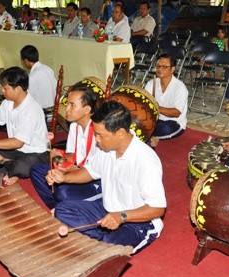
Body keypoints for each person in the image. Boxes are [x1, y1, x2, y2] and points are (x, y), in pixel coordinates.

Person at [48, 101, 166, 253]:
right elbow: (90, 172)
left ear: (121, 133)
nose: (96, 140)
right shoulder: (106, 149)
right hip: (107, 209)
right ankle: (100, 239)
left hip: (138, 222)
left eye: (100, 135)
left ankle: (103, 242)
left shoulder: (146, 161)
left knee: (109, 245)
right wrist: (65, 178)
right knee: (62, 209)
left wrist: (122, 216)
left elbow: (157, 208)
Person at [30, 84, 101, 210]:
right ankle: (59, 208)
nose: (67, 109)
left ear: (87, 109)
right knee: (36, 170)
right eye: (67, 104)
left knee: (62, 193)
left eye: (72, 105)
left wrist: (67, 174)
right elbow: (71, 156)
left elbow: (94, 171)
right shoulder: (75, 126)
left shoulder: (100, 133)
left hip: (96, 180)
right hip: (77, 168)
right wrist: (59, 157)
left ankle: (63, 208)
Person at [144, 54, 188, 148]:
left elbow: (176, 113)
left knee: (163, 128)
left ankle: (151, 136)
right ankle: (152, 137)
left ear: (172, 69)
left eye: (164, 66)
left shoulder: (179, 87)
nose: (160, 69)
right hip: (156, 119)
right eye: (158, 66)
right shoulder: (151, 84)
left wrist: (156, 107)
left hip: (173, 122)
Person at [20, 45, 57, 112]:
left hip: (44, 111)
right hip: (55, 107)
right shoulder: (48, 69)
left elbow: (30, 99)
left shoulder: (32, 77)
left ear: (26, 61)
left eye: (22, 61)